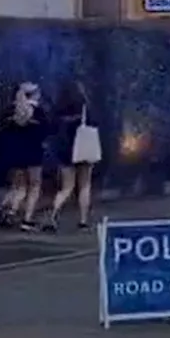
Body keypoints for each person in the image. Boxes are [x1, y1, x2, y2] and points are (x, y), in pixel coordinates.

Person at [0, 82, 51, 231]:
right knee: (34, 187)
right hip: (33, 154)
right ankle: (27, 220)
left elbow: (2, 130)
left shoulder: (10, 111)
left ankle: (10, 212)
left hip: (15, 155)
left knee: (20, 187)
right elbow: (47, 131)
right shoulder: (38, 111)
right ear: (34, 94)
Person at [45, 81, 101, 231]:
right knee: (85, 185)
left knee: (66, 187)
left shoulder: (58, 110)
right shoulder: (85, 107)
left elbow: (52, 129)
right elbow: (95, 124)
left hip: (65, 151)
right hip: (84, 149)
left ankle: (53, 216)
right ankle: (83, 220)